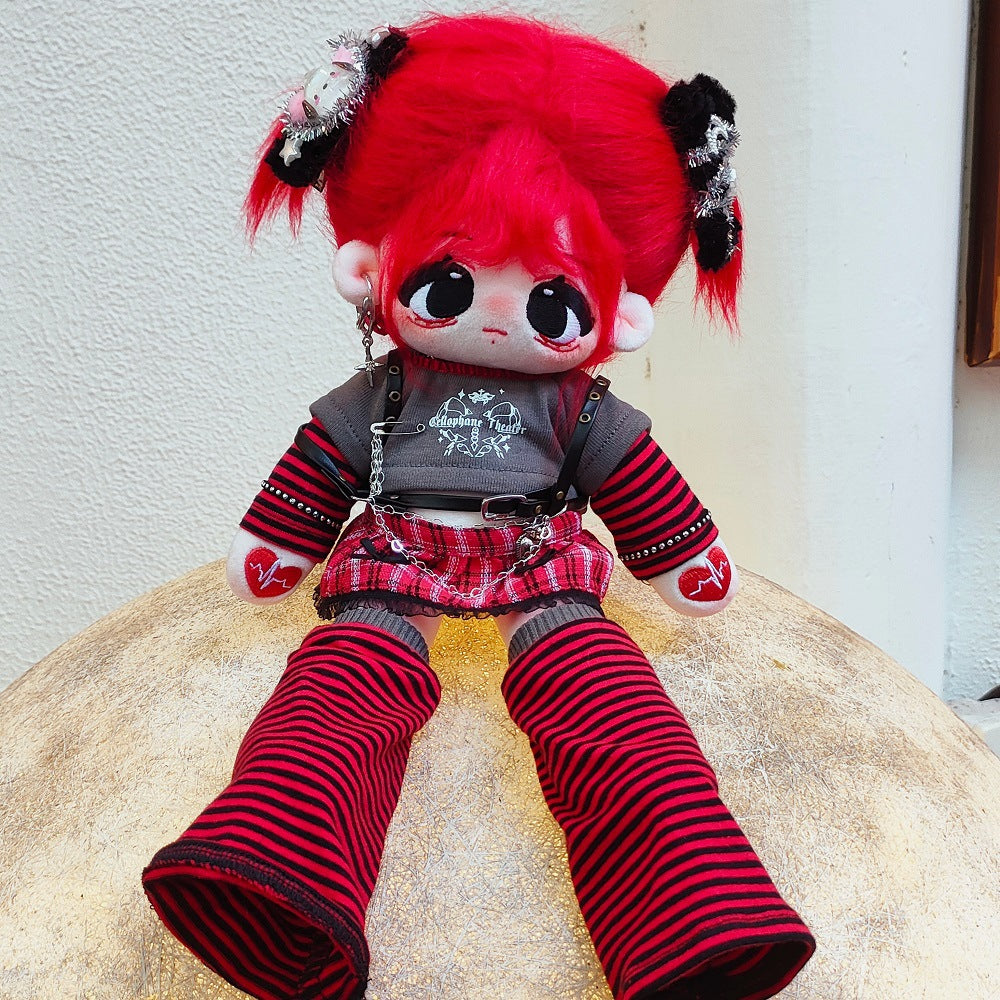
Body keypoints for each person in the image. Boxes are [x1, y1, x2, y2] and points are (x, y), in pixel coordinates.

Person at [142, 14, 815, 1000]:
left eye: (550, 301)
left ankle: (693, 908)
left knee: (605, 699)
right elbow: (323, 459)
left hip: (538, 557)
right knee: (340, 691)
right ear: (373, 270)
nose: (498, 314)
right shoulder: (386, 388)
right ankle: (275, 872)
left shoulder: (577, 407)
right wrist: (280, 540)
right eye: (451, 280)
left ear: (617, 310)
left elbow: (632, 475)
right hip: (397, 554)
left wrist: (682, 553)